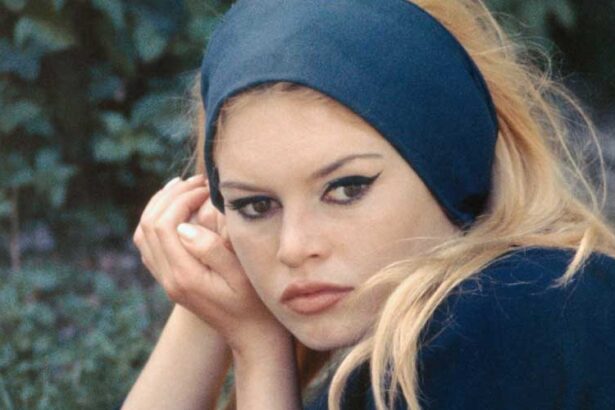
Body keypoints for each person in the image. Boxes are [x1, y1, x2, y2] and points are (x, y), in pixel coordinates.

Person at [119, 0, 615, 409]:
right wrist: (205, 297)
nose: (294, 247)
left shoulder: (520, 307)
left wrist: (258, 352)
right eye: (256, 205)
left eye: (346, 189)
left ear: (449, 166)